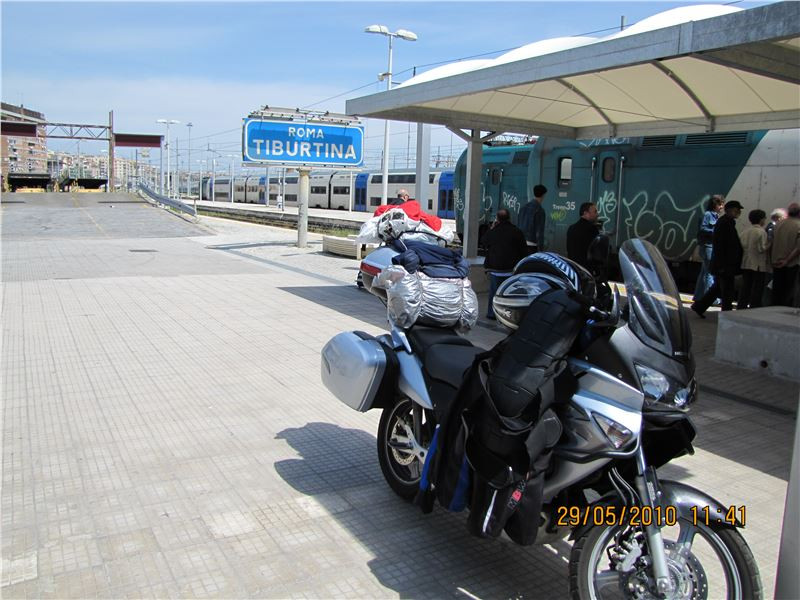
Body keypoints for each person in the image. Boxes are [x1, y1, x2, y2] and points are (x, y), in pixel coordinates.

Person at [691, 200, 744, 316]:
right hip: (725, 264)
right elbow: (720, 245)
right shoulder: (725, 223)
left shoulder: (727, 222)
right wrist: (721, 265)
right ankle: (726, 313)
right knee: (727, 291)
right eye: (736, 210)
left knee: (717, 288)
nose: (738, 212)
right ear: (729, 210)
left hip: (724, 264)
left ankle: (699, 307)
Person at [481, 208, 528, 319]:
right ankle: (508, 315)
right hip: (511, 270)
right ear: (509, 218)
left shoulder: (493, 231)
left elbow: (483, 241)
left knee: (494, 292)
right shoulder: (517, 232)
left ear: (497, 219)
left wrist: (492, 228)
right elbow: (524, 251)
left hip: (495, 270)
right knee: (509, 293)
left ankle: (491, 313)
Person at [693, 195, 725, 302]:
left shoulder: (715, 216)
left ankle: (698, 296)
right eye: (720, 205)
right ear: (715, 205)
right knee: (709, 273)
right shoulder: (708, 215)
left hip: (710, 246)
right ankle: (710, 299)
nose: (722, 207)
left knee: (704, 272)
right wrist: (716, 231)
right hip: (707, 246)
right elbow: (703, 228)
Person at [738, 209, 769, 309]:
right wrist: (770, 244)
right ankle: (754, 307)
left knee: (745, 287)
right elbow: (761, 249)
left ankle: (741, 306)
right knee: (757, 288)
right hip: (758, 265)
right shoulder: (761, 232)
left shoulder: (745, 231)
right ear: (761, 219)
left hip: (745, 263)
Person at [771, 202, 800, 306]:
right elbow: (798, 247)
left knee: (777, 291)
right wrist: (787, 260)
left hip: (776, 262)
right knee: (789, 293)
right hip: (792, 264)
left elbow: (771, 242)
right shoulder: (798, 225)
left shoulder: (778, 224)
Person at [566, 202, 599, 269]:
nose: (597, 215)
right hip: (586, 270)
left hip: (573, 268)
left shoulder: (571, 228)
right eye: (595, 212)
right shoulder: (592, 229)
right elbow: (596, 253)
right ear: (585, 213)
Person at [518, 184, 547, 253]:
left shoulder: (523, 208)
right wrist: (540, 250)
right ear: (543, 195)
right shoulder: (540, 210)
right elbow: (539, 232)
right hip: (532, 245)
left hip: (521, 243)